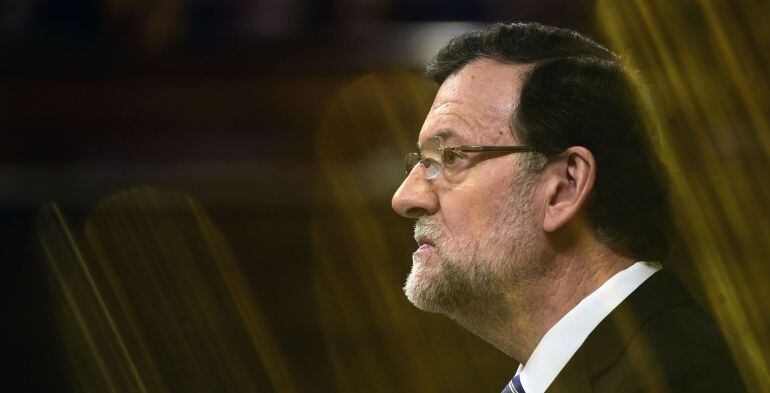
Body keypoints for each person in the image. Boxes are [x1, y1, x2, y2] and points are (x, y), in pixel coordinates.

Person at [391, 22, 746, 393]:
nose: (405, 197)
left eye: (449, 157)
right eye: (421, 161)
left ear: (564, 187)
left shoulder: (683, 380)